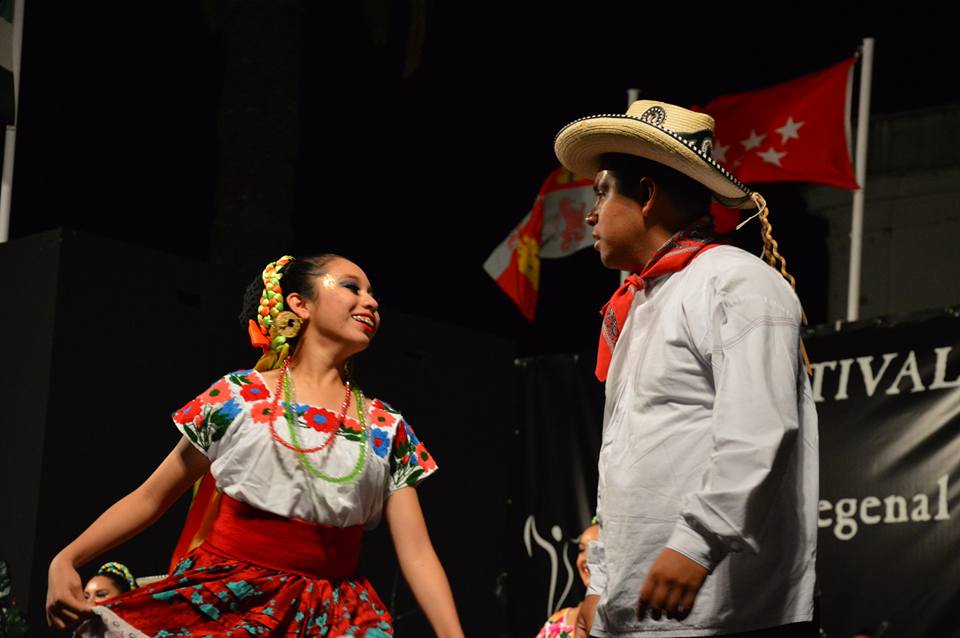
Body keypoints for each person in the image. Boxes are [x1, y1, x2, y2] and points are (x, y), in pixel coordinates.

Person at [46, 254, 465, 637]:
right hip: (230, 603)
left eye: (373, 295)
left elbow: (418, 554)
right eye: (352, 287)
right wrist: (66, 559)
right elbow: (151, 498)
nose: (370, 302)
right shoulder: (238, 397)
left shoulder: (386, 427)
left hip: (335, 615)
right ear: (300, 304)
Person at [553, 101, 819, 636]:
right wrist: (602, 582)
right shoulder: (639, 305)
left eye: (602, 193)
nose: (590, 215)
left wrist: (697, 544)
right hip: (634, 612)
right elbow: (624, 460)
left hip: (729, 616)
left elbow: (760, 429)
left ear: (647, 195)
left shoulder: (737, 282)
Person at [534, 523, 600, 638]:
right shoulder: (557, 622)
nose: (585, 558)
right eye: (582, 549)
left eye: (596, 550)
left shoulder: (631, 621)